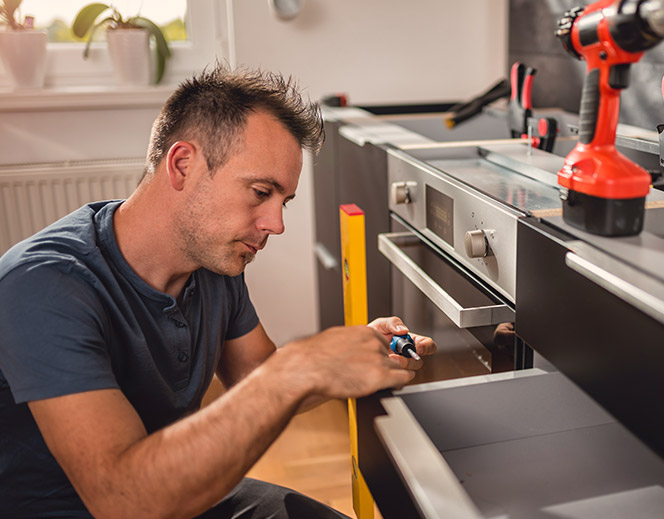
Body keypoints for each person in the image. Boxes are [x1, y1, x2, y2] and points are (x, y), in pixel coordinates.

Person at [0, 65, 436, 519]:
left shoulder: (213, 266)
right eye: (261, 192)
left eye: (282, 201)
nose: (276, 224)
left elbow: (256, 374)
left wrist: (351, 356)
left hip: (171, 488)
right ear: (183, 165)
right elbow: (121, 500)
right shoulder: (45, 284)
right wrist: (296, 366)